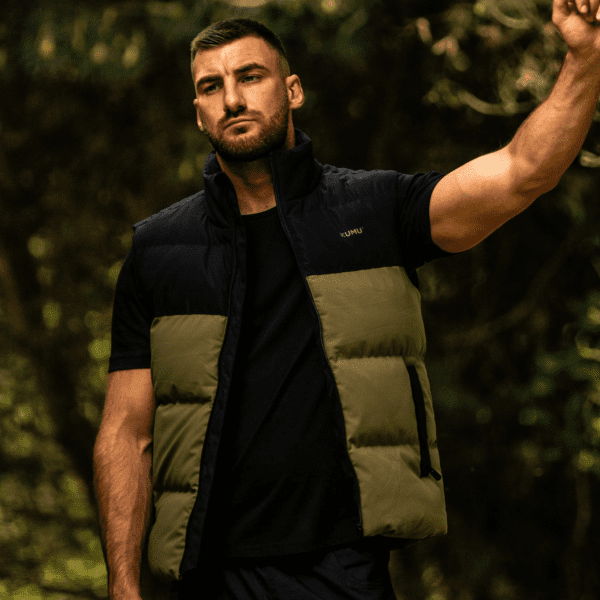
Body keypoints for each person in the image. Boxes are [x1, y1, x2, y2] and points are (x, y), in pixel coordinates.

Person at [93, 1, 600, 598]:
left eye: (250, 76)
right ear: (199, 114)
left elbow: (522, 171)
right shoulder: (159, 249)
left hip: (344, 569)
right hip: (211, 575)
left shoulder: (374, 208)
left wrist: (585, 56)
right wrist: (123, 588)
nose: (231, 99)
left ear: (293, 91)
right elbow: (125, 432)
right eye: (211, 86)